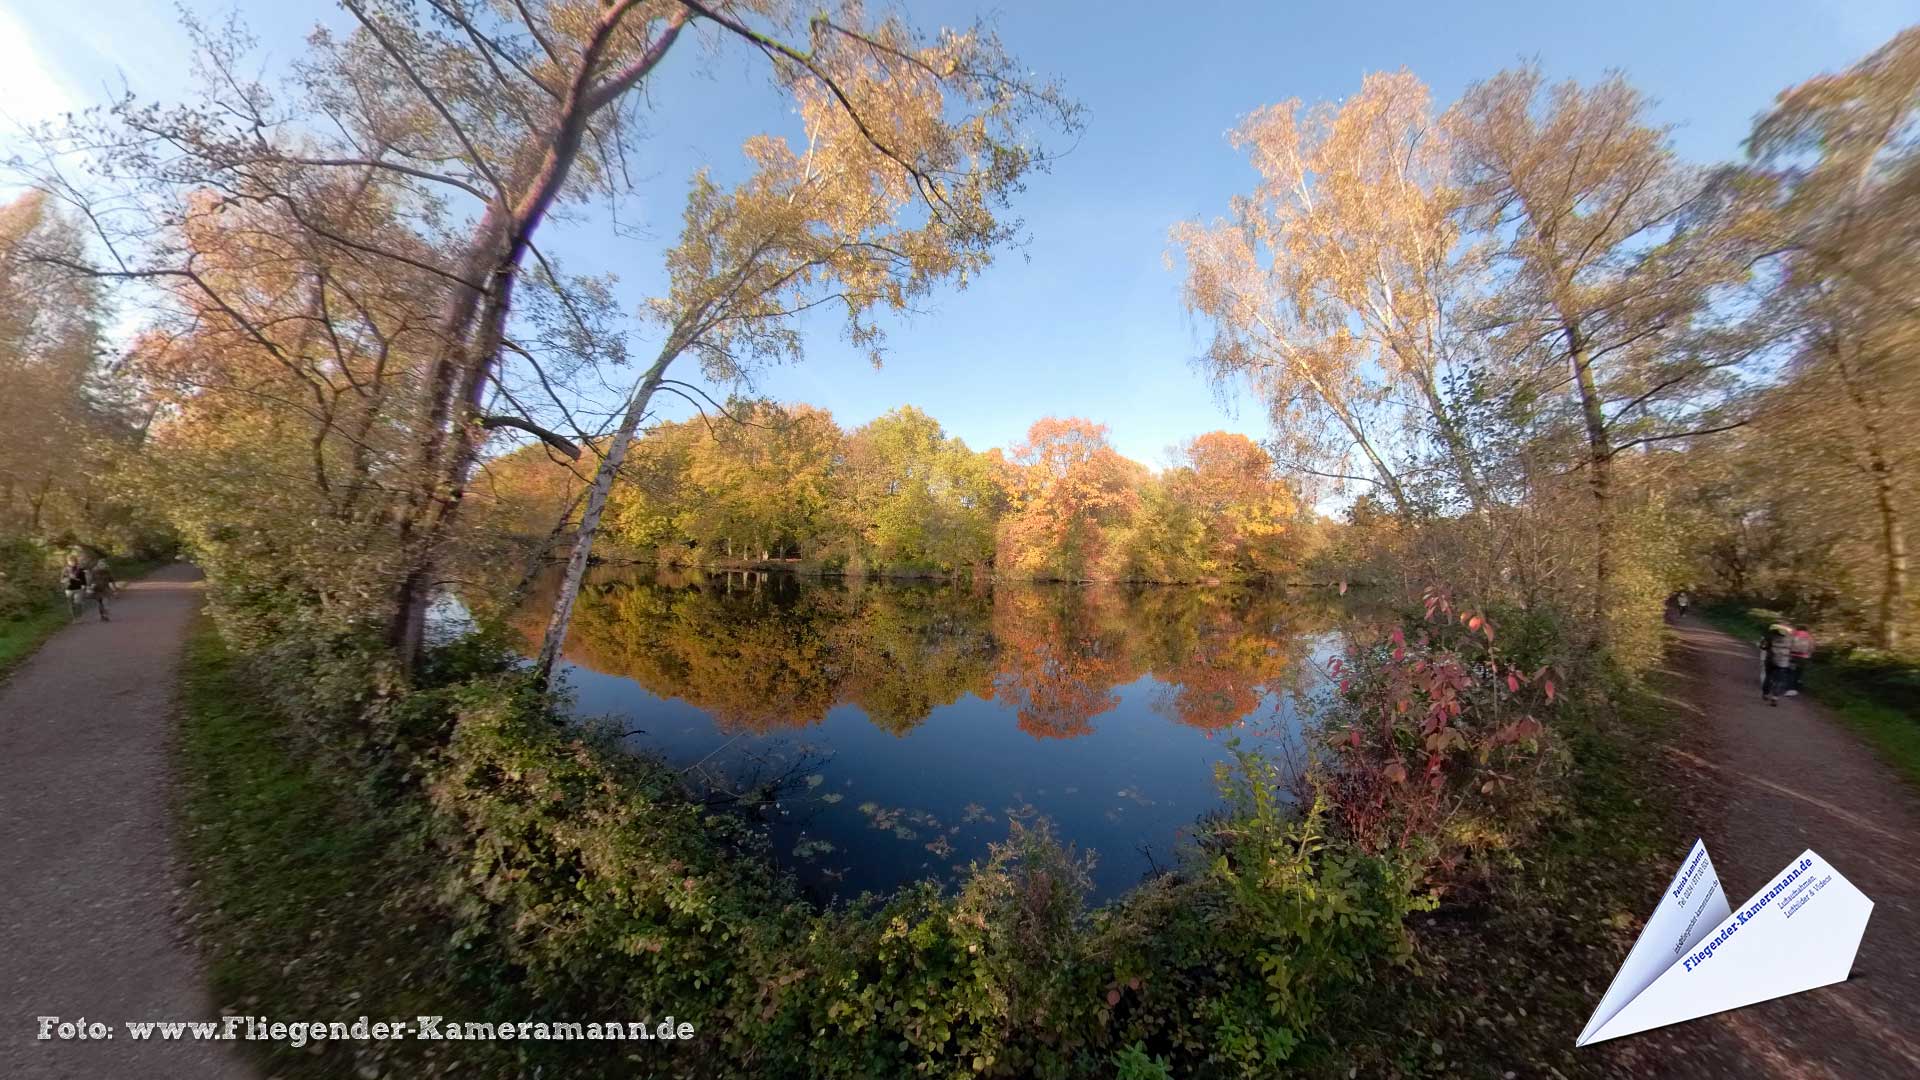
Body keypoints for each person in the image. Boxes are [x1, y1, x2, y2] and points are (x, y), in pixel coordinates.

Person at [1759, 623, 1794, 706]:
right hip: (1783, 661)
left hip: (1771, 659)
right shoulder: (1790, 639)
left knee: (1768, 676)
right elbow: (1792, 650)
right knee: (1779, 680)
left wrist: (1767, 647)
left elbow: (1763, 646)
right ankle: (1775, 697)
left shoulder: (1770, 636)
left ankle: (1765, 693)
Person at [1787, 625, 1815, 697]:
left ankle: (1789, 688)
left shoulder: (1794, 635)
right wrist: (1809, 655)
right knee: (1799, 672)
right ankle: (1796, 687)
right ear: (1806, 630)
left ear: (1798, 629)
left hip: (1792, 656)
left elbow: (1788, 645)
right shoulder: (1809, 637)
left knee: (1791, 671)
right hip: (1803, 658)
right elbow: (1811, 648)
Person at [85, 556, 114, 622]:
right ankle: (102, 616)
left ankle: (106, 614)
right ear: (98, 565)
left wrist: (115, 589)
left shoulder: (107, 571)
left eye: (104, 565)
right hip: (97, 590)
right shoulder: (93, 572)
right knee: (100, 603)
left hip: (105, 589)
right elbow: (90, 580)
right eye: (101, 565)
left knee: (105, 602)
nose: (103, 566)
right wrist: (90, 586)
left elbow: (111, 579)